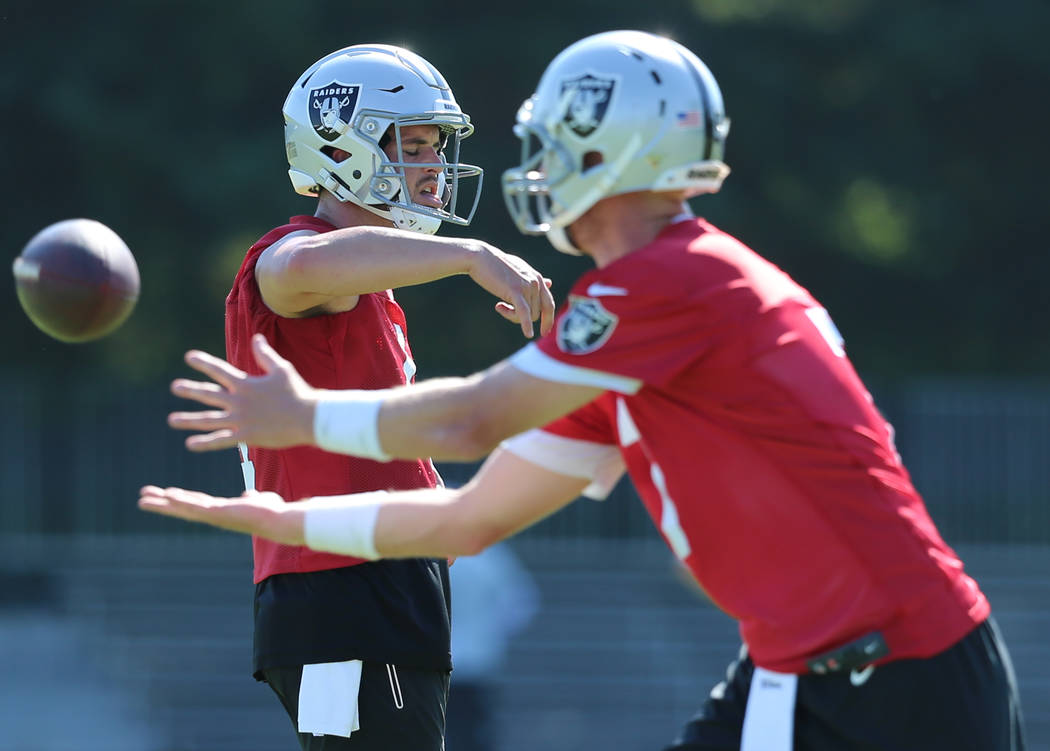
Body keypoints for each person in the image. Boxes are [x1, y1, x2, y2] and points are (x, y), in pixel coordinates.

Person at [141, 30, 1027, 751]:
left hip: (897, 664)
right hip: (802, 666)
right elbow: (471, 516)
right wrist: (286, 524)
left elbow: (473, 422)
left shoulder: (663, 289)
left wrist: (308, 420)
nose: (533, 165)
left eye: (555, 143)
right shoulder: (628, 324)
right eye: (413, 147)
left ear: (612, 152)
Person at [202, 43, 555, 751]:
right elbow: (296, 265)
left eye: (435, 146)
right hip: (345, 589)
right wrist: (471, 255)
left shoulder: (374, 288)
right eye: (415, 145)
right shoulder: (299, 254)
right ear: (343, 147)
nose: (434, 169)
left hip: (371, 586)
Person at [444, 543, 540, 751]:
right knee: (472, 733)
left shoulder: (426, 553)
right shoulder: (492, 556)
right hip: (478, 659)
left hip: (434, 661)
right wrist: (492, 635)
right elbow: (521, 604)